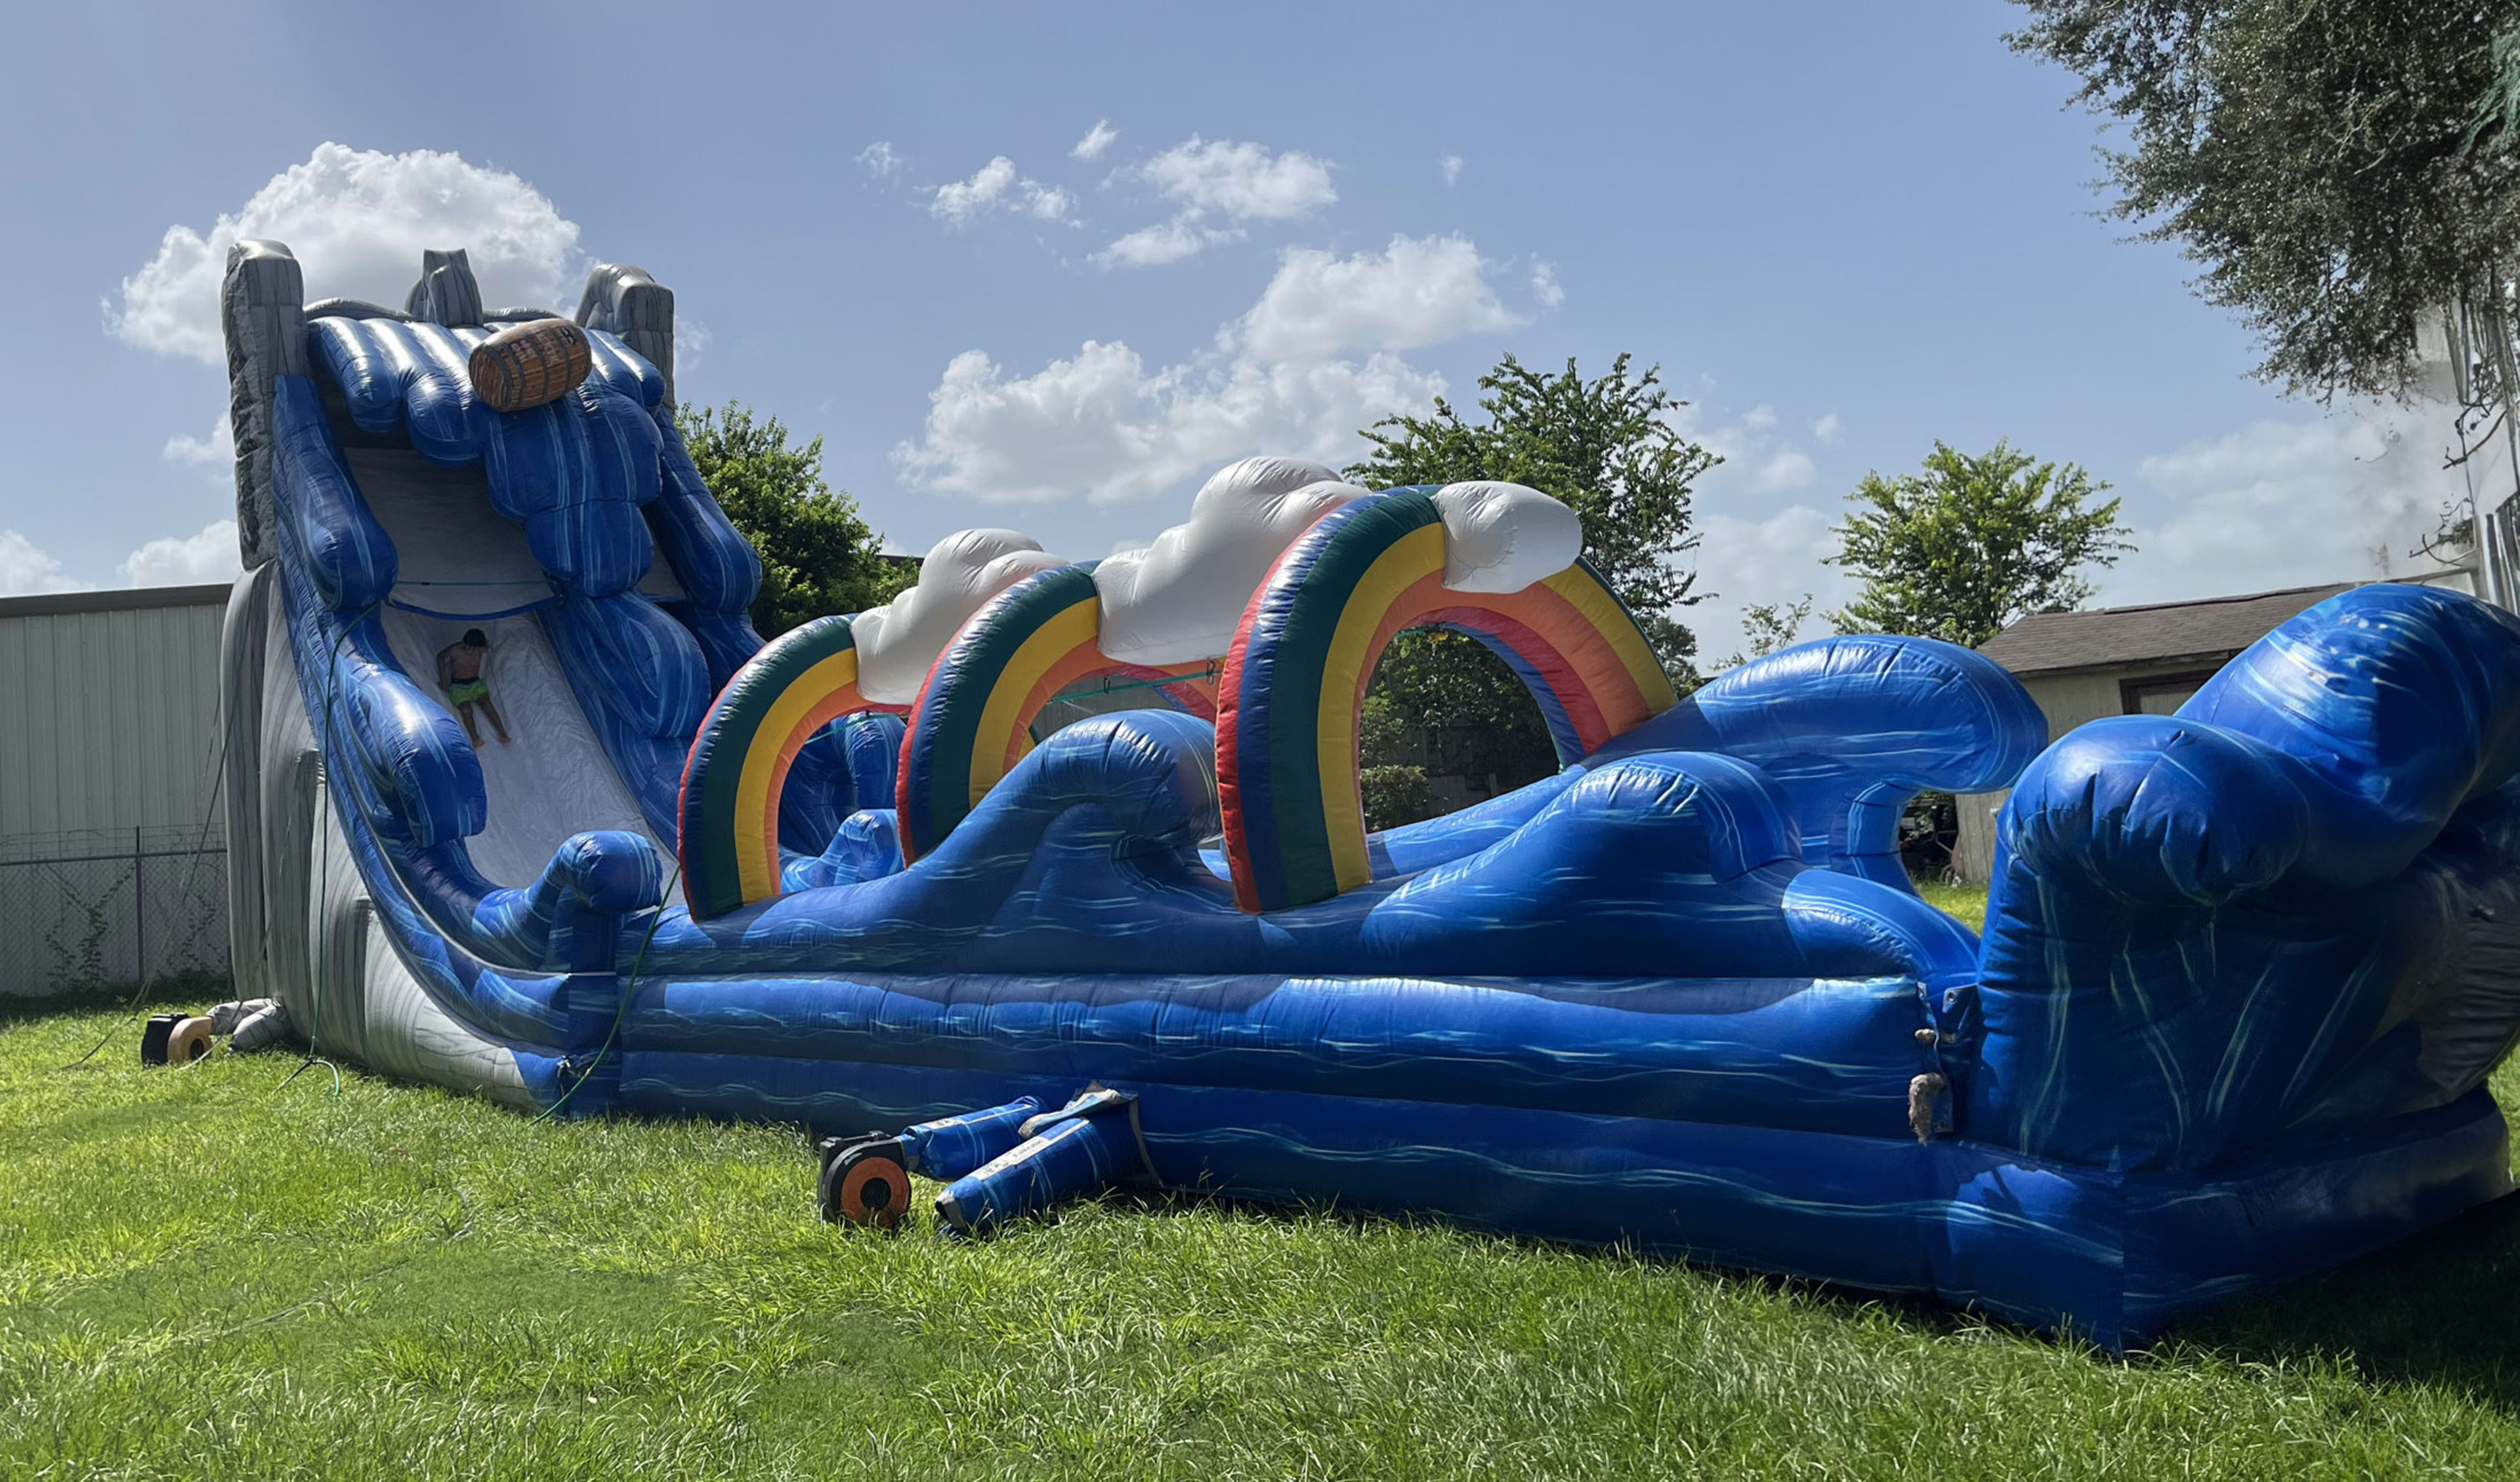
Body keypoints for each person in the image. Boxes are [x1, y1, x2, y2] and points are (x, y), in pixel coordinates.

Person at [435, 627, 513, 747]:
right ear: (464, 643)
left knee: (487, 704)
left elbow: (491, 646)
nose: (470, 651)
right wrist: (443, 679)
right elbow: (440, 657)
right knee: (466, 710)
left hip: (475, 683)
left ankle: (503, 734)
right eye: (467, 647)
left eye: (474, 649)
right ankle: (475, 738)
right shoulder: (456, 650)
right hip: (458, 685)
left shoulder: (482, 649)